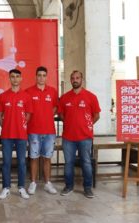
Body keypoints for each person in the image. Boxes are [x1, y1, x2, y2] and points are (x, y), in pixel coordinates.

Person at [58, 70, 101, 198]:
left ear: (82, 80)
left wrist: (87, 125)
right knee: (68, 163)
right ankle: (68, 186)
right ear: (70, 80)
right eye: (73, 78)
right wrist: (70, 123)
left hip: (85, 137)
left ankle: (87, 188)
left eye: (77, 78)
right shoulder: (65, 97)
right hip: (68, 138)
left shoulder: (91, 97)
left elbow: (97, 115)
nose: (75, 80)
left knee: (86, 162)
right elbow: (61, 114)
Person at [0, 69, 33, 200]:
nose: (15, 79)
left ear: (21, 78)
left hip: (21, 135)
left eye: (17, 77)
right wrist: (5, 125)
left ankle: (21, 187)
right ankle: (6, 187)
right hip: (6, 135)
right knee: (6, 162)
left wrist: (22, 125)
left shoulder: (26, 96)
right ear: (9, 78)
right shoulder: (3, 96)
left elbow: (28, 115)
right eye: (12, 77)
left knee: (21, 162)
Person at [26, 66, 58, 195]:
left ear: (46, 77)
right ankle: (33, 182)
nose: (41, 78)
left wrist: (47, 116)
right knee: (33, 158)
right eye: (39, 75)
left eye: (44, 75)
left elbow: (55, 107)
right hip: (33, 131)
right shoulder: (28, 91)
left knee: (47, 158)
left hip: (49, 131)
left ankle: (47, 183)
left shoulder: (53, 91)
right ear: (35, 76)